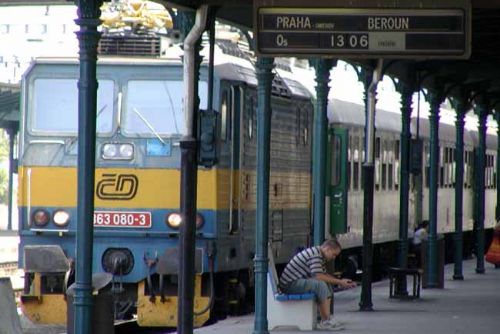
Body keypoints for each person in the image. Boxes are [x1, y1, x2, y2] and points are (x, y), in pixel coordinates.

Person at [279, 239, 356, 331]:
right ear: (327, 249)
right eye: (334, 254)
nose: (334, 257)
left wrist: (341, 281)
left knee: (326, 284)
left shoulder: (319, 254)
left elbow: (323, 274)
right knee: (320, 285)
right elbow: (318, 276)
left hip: (294, 282)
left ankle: (326, 317)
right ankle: (325, 321)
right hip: (289, 285)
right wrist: (340, 282)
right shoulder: (316, 255)